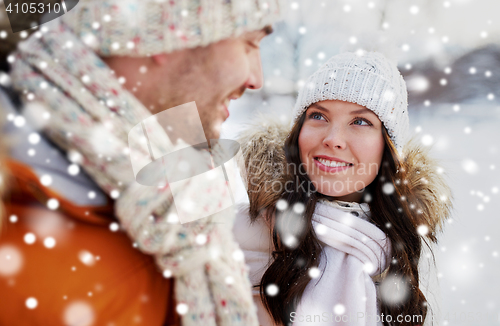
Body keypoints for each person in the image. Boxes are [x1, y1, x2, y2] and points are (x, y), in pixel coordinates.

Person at [0, 0, 283, 325]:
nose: (256, 79)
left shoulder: (179, 205)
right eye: (250, 43)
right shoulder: (19, 233)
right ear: (170, 30)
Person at [233, 51, 453, 326]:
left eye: (360, 121)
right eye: (318, 116)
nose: (333, 139)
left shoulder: (402, 248)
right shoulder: (243, 227)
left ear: (388, 148)